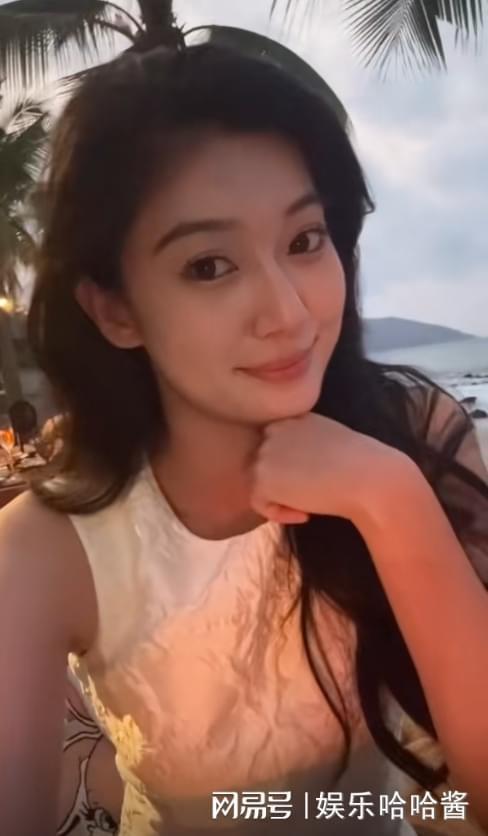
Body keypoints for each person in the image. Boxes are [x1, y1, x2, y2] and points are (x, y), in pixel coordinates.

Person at [0, 43, 487, 836]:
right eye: (209, 266)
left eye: (304, 240)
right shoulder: (45, 553)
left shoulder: (416, 432)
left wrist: (390, 499)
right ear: (115, 310)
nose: (289, 313)